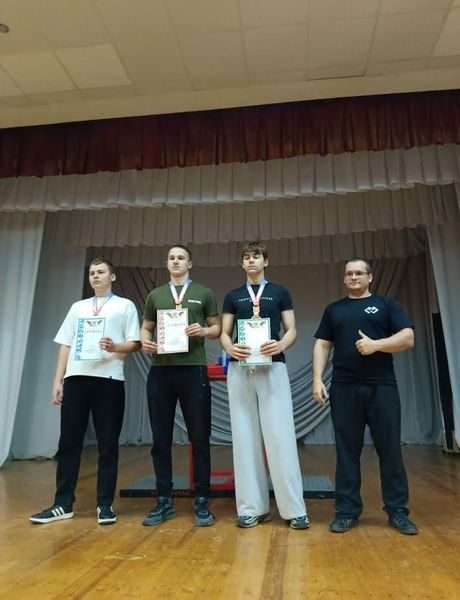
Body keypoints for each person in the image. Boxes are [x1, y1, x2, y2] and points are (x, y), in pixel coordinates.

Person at [30, 258, 141, 525]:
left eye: (101, 272)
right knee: (68, 443)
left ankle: (104, 505)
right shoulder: (78, 307)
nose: (95, 276)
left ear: (112, 276)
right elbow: (65, 344)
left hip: (109, 380)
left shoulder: (124, 305)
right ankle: (62, 503)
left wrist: (114, 347)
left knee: (107, 445)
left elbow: (135, 343)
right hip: (76, 379)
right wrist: (58, 380)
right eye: (92, 273)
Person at [313, 257, 418, 535]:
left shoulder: (386, 305)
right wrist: (316, 379)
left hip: (382, 387)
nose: (354, 277)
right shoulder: (334, 309)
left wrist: (376, 345)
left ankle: (397, 511)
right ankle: (347, 512)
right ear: (344, 278)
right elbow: (322, 345)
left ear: (370, 277)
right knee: (347, 452)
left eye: (359, 273)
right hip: (344, 388)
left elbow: (407, 338)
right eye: (349, 273)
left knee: (390, 451)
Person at [220, 241, 308, 530]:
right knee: (244, 437)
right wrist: (229, 348)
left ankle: (294, 510)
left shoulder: (279, 293)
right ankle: (251, 509)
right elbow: (225, 333)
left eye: (256, 256)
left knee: (281, 436)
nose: (251, 261)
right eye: (246, 257)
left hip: (273, 366)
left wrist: (281, 344)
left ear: (265, 262)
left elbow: (291, 329)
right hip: (240, 368)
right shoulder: (233, 296)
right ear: (242, 263)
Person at [140, 245, 221, 527]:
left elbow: (217, 328)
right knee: (160, 438)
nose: (176, 261)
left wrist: (204, 330)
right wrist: (146, 341)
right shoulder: (155, 295)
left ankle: (201, 500)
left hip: (192, 369)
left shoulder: (203, 293)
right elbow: (146, 327)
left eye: (181, 258)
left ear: (190, 263)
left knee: (199, 437)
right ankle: (164, 500)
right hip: (161, 370)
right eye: (172, 258)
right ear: (167, 264)